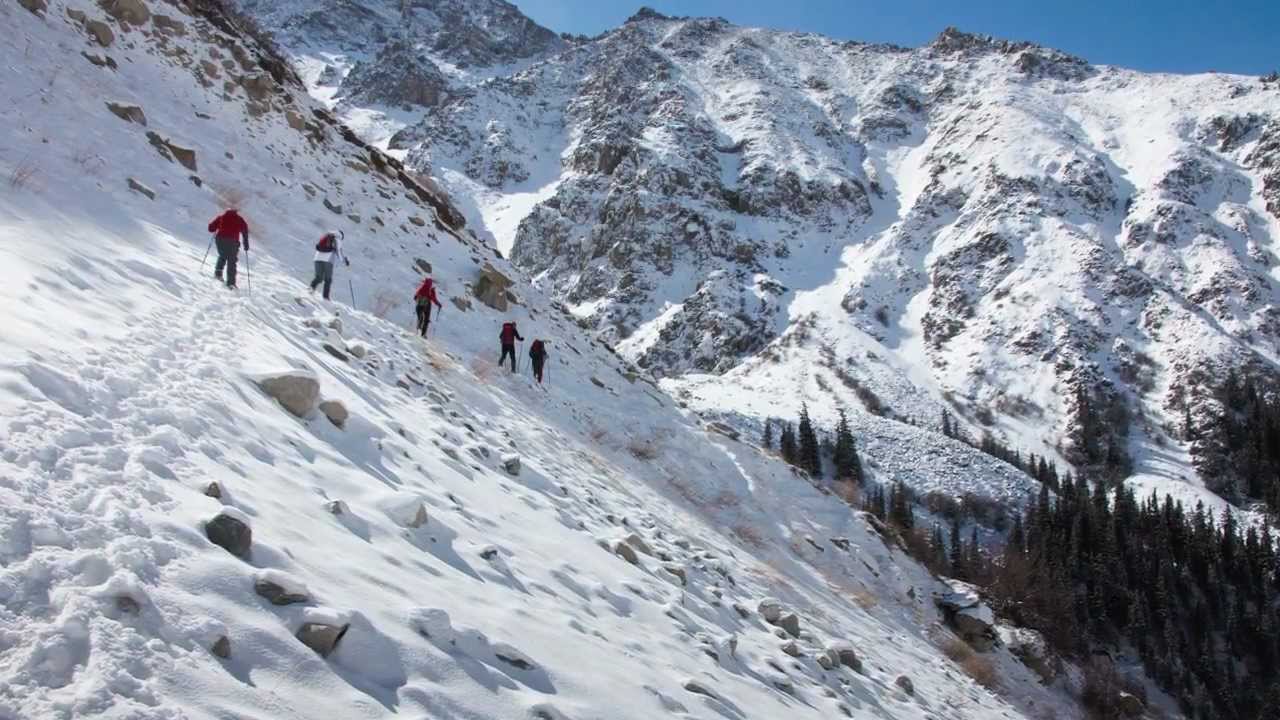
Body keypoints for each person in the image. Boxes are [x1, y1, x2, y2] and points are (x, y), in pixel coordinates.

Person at [207, 208, 249, 288]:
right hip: (232, 242)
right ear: (236, 211)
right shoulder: (239, 219)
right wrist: (246, 244)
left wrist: (215, 226)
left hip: (220, 240)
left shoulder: (221, 217)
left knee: (223, 254)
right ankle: (231, 283)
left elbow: (210, 229)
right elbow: (245, 231)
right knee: (231, 260)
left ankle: (218, 273)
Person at [310, 230, 349, 300]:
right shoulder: (337, 239)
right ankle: (325, 297)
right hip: (328, 260)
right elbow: (339, 253)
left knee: (318, 277)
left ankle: (311, 289)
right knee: (328, 279)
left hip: (317, 259)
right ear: (341, 236)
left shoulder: (326, 236)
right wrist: (345, 261)